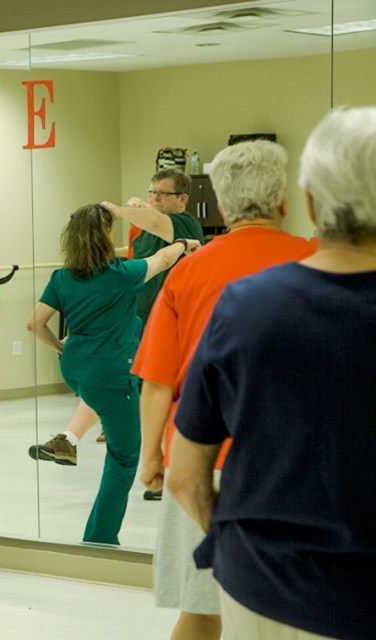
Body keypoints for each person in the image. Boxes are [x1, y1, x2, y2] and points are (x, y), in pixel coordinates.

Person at [167, 107, 376, 640]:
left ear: (306, 201)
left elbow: (187, 476)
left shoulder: (247, 308)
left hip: (264, 588)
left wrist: (242, 541)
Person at [131, 140, 316, 640]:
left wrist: (151, 456)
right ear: (284, 200)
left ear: (223, 205)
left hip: (199, 462)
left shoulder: (187, 272)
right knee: (298, 615)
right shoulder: (317, 261)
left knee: (202, 610)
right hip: (297, 464)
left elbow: (157, 379)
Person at [27, 204, 198, 545]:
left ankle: (71, 438)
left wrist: (62, 348)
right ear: (105, 236)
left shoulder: (62, 277)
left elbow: (34, 323)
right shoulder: (120, 273)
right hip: (110, 376)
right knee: (124, 458)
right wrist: (185, 245)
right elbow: (163, 260)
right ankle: (100, 537)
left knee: (133, 328)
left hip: (75, 370)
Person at [33, 170, 203, 475]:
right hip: (136, 321)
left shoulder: (184, 225)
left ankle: (164, 467)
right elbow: (132, 253)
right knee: (110, 382)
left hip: (171, 323)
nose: (155, 199)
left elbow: (160, 238)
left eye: (162, 194)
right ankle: (70, 438)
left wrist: (118, 211)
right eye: (152, 192)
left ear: (182, 199)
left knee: (158, 394)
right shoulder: (143, 228)